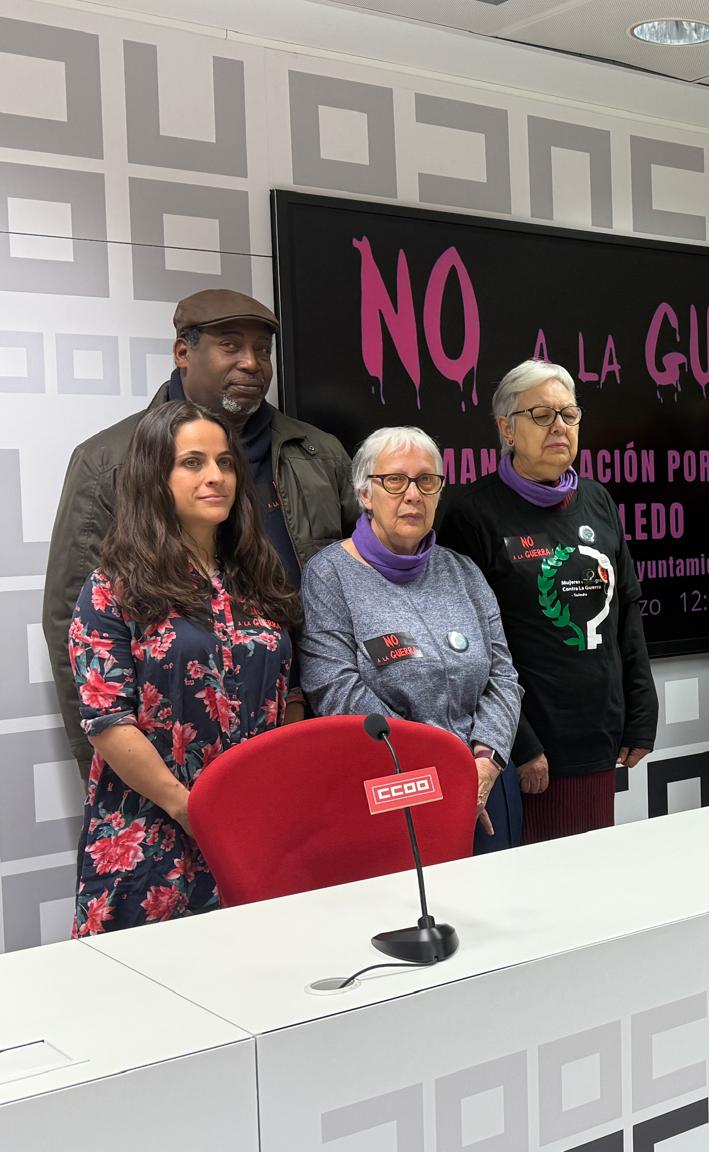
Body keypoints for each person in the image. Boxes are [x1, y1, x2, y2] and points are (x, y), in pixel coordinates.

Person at [45, 289, 358, 781]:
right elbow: (73, 623)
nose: (252, 364)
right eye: (231, 346)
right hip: (167, 760)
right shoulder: (109, 460)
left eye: (262, 350)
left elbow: (357, 586)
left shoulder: (319, 454)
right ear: (183, 353)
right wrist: (107, 768)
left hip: (309, 721)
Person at [68, 401, 301, 935]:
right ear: (156, 475)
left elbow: (281, 698)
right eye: (192, 462)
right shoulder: (112, 587)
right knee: (149, 1003)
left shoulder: (256, 577)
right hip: (152, 828)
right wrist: (188, 808)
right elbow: (107, 722)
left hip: (251, 825)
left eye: (224, 462)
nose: (215, 477)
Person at [436, 362, 656, 842]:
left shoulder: (598, 500)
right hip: (526, 742)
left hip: (597, 729)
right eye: (540, 414)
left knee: (591, 873)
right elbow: (473, 648)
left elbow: (627, 608)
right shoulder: (471, 514)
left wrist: (640, 710)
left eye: (569, 414)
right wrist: (522, 743)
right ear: (506, 429)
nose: (559, 426)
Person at [298, 427, 524, 853]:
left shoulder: (464, 572)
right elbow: (337, 692)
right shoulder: (329, 576)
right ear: (365, 494)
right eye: (395, 481)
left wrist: (486, 761)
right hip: (397, 783)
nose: (413, 495)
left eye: (427, 481)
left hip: (487, 780)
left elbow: (503, 676)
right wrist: (438, 769)